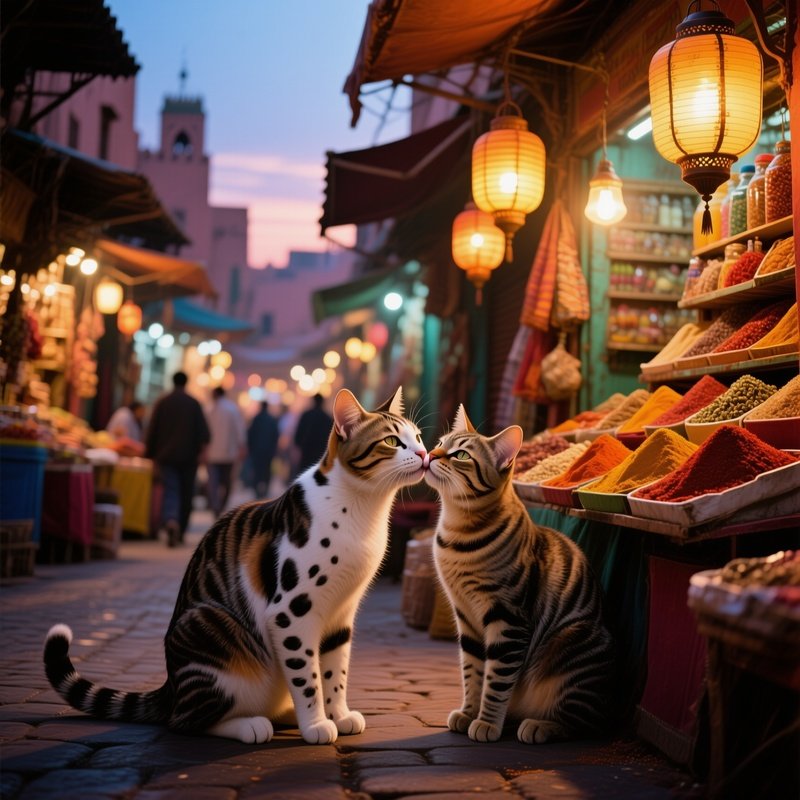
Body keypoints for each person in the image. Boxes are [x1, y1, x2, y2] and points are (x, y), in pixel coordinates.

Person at [145, 371, 210, 547]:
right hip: (189, 457)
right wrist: (202, 453)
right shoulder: (194, 403)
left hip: (166, 456)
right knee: (186, 493)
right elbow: (204, 433)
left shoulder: (162, 402)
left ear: (172, 382)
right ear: (186, 382)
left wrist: (149, 454)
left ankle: (171, 519)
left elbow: (153, 430)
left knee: (171, 489)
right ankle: (180, 529)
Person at [206, 386, 246, 518]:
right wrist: (242, 446)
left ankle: (215, 505)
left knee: (213, 481)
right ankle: (221, 505)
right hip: (229, 453)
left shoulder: (209, 409)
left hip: (211, 453)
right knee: (227, 482)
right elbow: (240, 429)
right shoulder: (232, 409)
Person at [293, 393, 333, 474]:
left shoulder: (306, 415)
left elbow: (299, 433)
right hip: (319, 452)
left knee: (303, 472)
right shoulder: (327, 419)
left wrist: (297, 446)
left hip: (306, 450)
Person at [247, 401, 279, 499]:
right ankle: (265, 490)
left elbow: (250, 434)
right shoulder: (271, 419)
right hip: (268, 451)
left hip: (257, 451)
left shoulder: (256, 419)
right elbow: (276, 435)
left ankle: (257, 491)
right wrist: (274, 448)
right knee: (267, 471)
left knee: (257, 471)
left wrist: (250, 448)